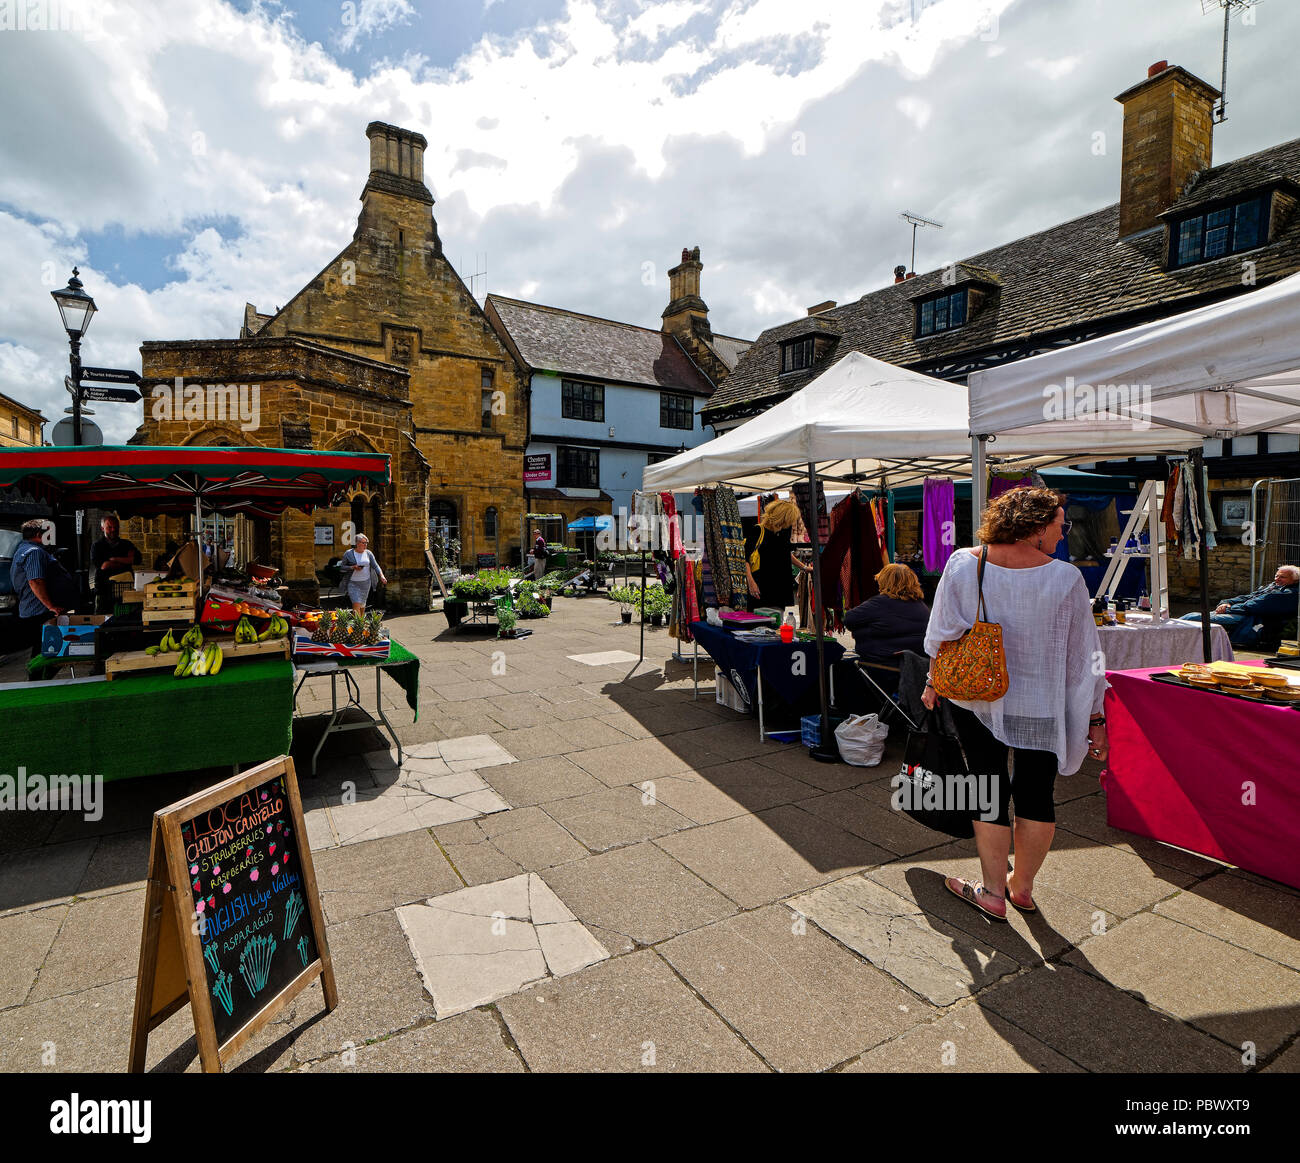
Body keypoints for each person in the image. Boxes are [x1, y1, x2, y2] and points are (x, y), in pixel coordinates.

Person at [922, 487, 1107, 922]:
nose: (1063, 535)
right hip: (1040, 703)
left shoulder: (965, 563)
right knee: (1037, 794)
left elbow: (941, 633)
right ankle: (1021, 889)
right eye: (1060, 526)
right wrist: (1095, 716)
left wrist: (933, 680)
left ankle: (991, 893)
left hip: (977, 697)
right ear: (1036, 526)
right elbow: (1086, 657)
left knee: (987, 788)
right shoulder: (1066, 578)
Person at [1179, 565, 1299, 647]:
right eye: (1277, 576)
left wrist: (1229, 608)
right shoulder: (1274, 586)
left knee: (1193, 617)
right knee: (1197, 616)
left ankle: (1169, 634)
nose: (1277, 579)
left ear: (1294, 579)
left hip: (1251, 619)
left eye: (1282, 577)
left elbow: (1254, 605)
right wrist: (1227, 602)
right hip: (1242, 613)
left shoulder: (1289, 593)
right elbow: (1247, 597)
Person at [10, 520, 78, 657]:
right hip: (39, 611)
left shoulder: (23, 549)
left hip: (35, 609)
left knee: (44, 649)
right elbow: (35, 581)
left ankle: (38, 676)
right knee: (44, 650)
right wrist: (50, 606)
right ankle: (37, 678)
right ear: (39, 534)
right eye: (49, 533)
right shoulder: (35, 552)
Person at [844, 563, 930, 664]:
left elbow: (848, 619)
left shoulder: (880, 603)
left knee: (838, 667)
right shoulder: (922, 606)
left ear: (885, 582)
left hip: (884, 666)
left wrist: (860, 632)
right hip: (915, 666)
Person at [743, 498, 812, 614]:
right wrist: (751, 583)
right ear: (780, 517)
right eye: (787, 519)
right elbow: (744, 559)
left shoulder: (784, 532)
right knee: (758, 624)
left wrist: (804, 567)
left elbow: (785, 554)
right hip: (761, 587)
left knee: (776, 625)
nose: (789, 523)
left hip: (780, 588)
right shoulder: (758, 531)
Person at [91, 514, 141, 614]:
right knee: (103, 620)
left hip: (125, 591)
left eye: (116, 527)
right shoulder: (97, 546)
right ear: (102, 528)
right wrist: (126, 562)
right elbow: (103, 566)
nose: (113, 529)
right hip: (104, 591)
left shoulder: (127, 544)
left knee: (124, 619)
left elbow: (137, 560)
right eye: (109, 527)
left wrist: (114, 559)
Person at [340, 533, 386, 614]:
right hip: (352, 583)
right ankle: (358, 625)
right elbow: (342, 567)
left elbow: (375, 566)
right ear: (357, 543)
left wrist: (381, 576)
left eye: (366, 543)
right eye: (363, 543)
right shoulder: (348, 553)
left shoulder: (368, 553)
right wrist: (352, 567)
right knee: (356, 603)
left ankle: (361, 623)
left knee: (362, 604)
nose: (365, 545)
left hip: (365, 583)